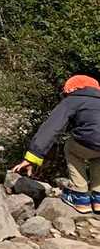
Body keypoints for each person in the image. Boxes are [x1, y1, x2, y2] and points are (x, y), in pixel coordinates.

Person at [11, 75, 100, 214]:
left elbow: (51, 128)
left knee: (71, 147)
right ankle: (98, 198)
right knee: (97, 155)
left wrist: (32, 157)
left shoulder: (72, 100)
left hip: (87, 143)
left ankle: (80, 196)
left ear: (71, 90)